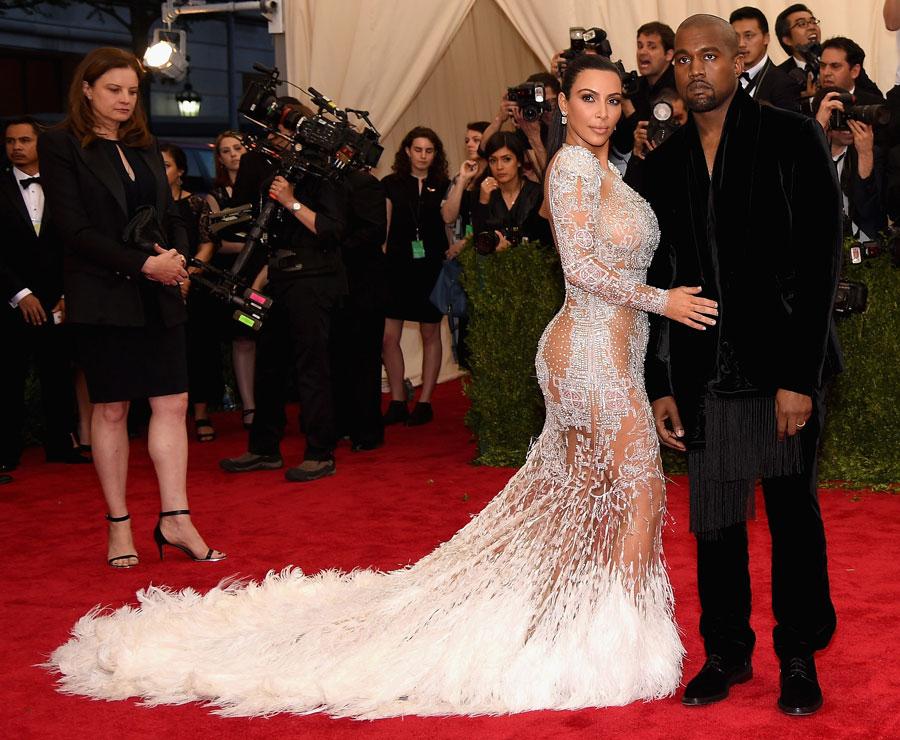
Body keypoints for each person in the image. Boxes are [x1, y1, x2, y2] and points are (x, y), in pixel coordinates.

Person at [46, 52, 718, 717]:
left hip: (617, 352)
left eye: (610, 100)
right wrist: (665, 301)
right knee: (640, 494)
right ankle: (618, 645)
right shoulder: (571, 169)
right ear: (564, 106)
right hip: (589, 354)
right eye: (587, 99)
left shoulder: (614, 168)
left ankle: (569, 628)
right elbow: (580, 271)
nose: (600, 112)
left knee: (598, 499)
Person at [631, 15, 841, 715]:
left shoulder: (790, 137)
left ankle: (799, 655)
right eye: (684, 58)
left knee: (792, 519)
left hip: (781, 371)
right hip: (703, 375)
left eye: (710, 55)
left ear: (737, 62)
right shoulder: (661, 166)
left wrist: (798, 379)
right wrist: (659, 383)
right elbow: (654, 283)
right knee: (716, 523)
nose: (695, 69)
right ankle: (726, 652)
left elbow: (819, 266)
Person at [39, 47, 224, 567]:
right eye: (114, 89)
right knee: (113, 408)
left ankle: (176, 519)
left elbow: (169, 213)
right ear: (87, 89)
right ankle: (119, 526)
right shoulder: (60, 145)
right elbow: (73, 230)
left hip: (159, 288)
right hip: (103, 294)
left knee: (173, 404)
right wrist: (145, 266)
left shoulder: (145, 146)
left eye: (132, 91)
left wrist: (179, 254)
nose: (124, 100)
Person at [219, 145, 349, 482]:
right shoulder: (276, 175)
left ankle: (320, 453)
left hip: (313, 282)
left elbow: (332, 230)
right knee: (269, 367)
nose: (281, 144)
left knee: (312, 368)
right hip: (279, 280)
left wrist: (290, 200)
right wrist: (260, 282)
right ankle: (264, 448)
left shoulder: (326, 176)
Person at [0, 116, 88, 471]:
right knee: (7, 378)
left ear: (40, 144)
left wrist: (68, 294)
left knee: (59, 374)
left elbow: (77, 243)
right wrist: (20, 294)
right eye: (9, 141)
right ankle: (5, 453)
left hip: (58, 300)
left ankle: (59, 445)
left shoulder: (65, 186)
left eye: (24, 140)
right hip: (9, 301)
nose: (16, 147)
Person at [381, 127, 450, 427]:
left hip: (432, 267)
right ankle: (397, 399)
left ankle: (425, 402)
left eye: (429, 150)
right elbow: (383, 229)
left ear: (435, 155)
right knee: (387, 337)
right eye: (418, 149)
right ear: (407, 150)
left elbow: (450, 224)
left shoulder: (444, 185)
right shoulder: (390, 184)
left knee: (429, 334)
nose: (423, 155)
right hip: (397, 266)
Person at [159, 142, 221, 442]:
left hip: (193, 285)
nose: (161, 171)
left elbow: (209, 242)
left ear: (180, 171)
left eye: (167, 165)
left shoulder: (196, 203)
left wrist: (187, 275)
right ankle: (165, 416)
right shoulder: (148, 204)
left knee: (200, 349)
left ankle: (200, 413)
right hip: (157, 285)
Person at [331, 168, 388, 451]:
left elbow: (375, 232)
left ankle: (366, 430)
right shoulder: (324, 183)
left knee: (364, 358)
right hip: (334, 286)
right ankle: (341, 423)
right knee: (337, 357)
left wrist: (333, 243)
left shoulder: (366, 184)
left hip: (364, 286)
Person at [206, 130, 258, 430]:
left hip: (265, 272)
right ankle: (249, 406)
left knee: (273, 338)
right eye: (226, 150)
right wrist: (254, 244)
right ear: (220, 158)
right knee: (244, 337)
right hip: (235, 275)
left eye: (238, 147)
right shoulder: (216, 197)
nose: (233, 154)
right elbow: (216, 242)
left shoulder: (262, 187)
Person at [470, 130, 551, 250]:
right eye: (493, 160)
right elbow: (478, 243)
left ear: (518, 161)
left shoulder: (537, 193)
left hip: (533, 265)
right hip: (494, 266)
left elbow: (544, 242)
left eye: (506, 159)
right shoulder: (483, 193)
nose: (499, 167)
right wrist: (483, 203)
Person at [610, 22, 677, 157]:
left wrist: (626, 105)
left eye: (651, 47)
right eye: (640, 46)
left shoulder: (679, 87)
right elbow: (622, 145)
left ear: (669, 54)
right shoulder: (635, 86)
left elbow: (654, 141)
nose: (642, 52)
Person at [729, 6, 801, 112]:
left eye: (748, 36)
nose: (741, 44)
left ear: (766, 38)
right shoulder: (724, 78)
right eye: (736, 37)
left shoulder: (784, 84)